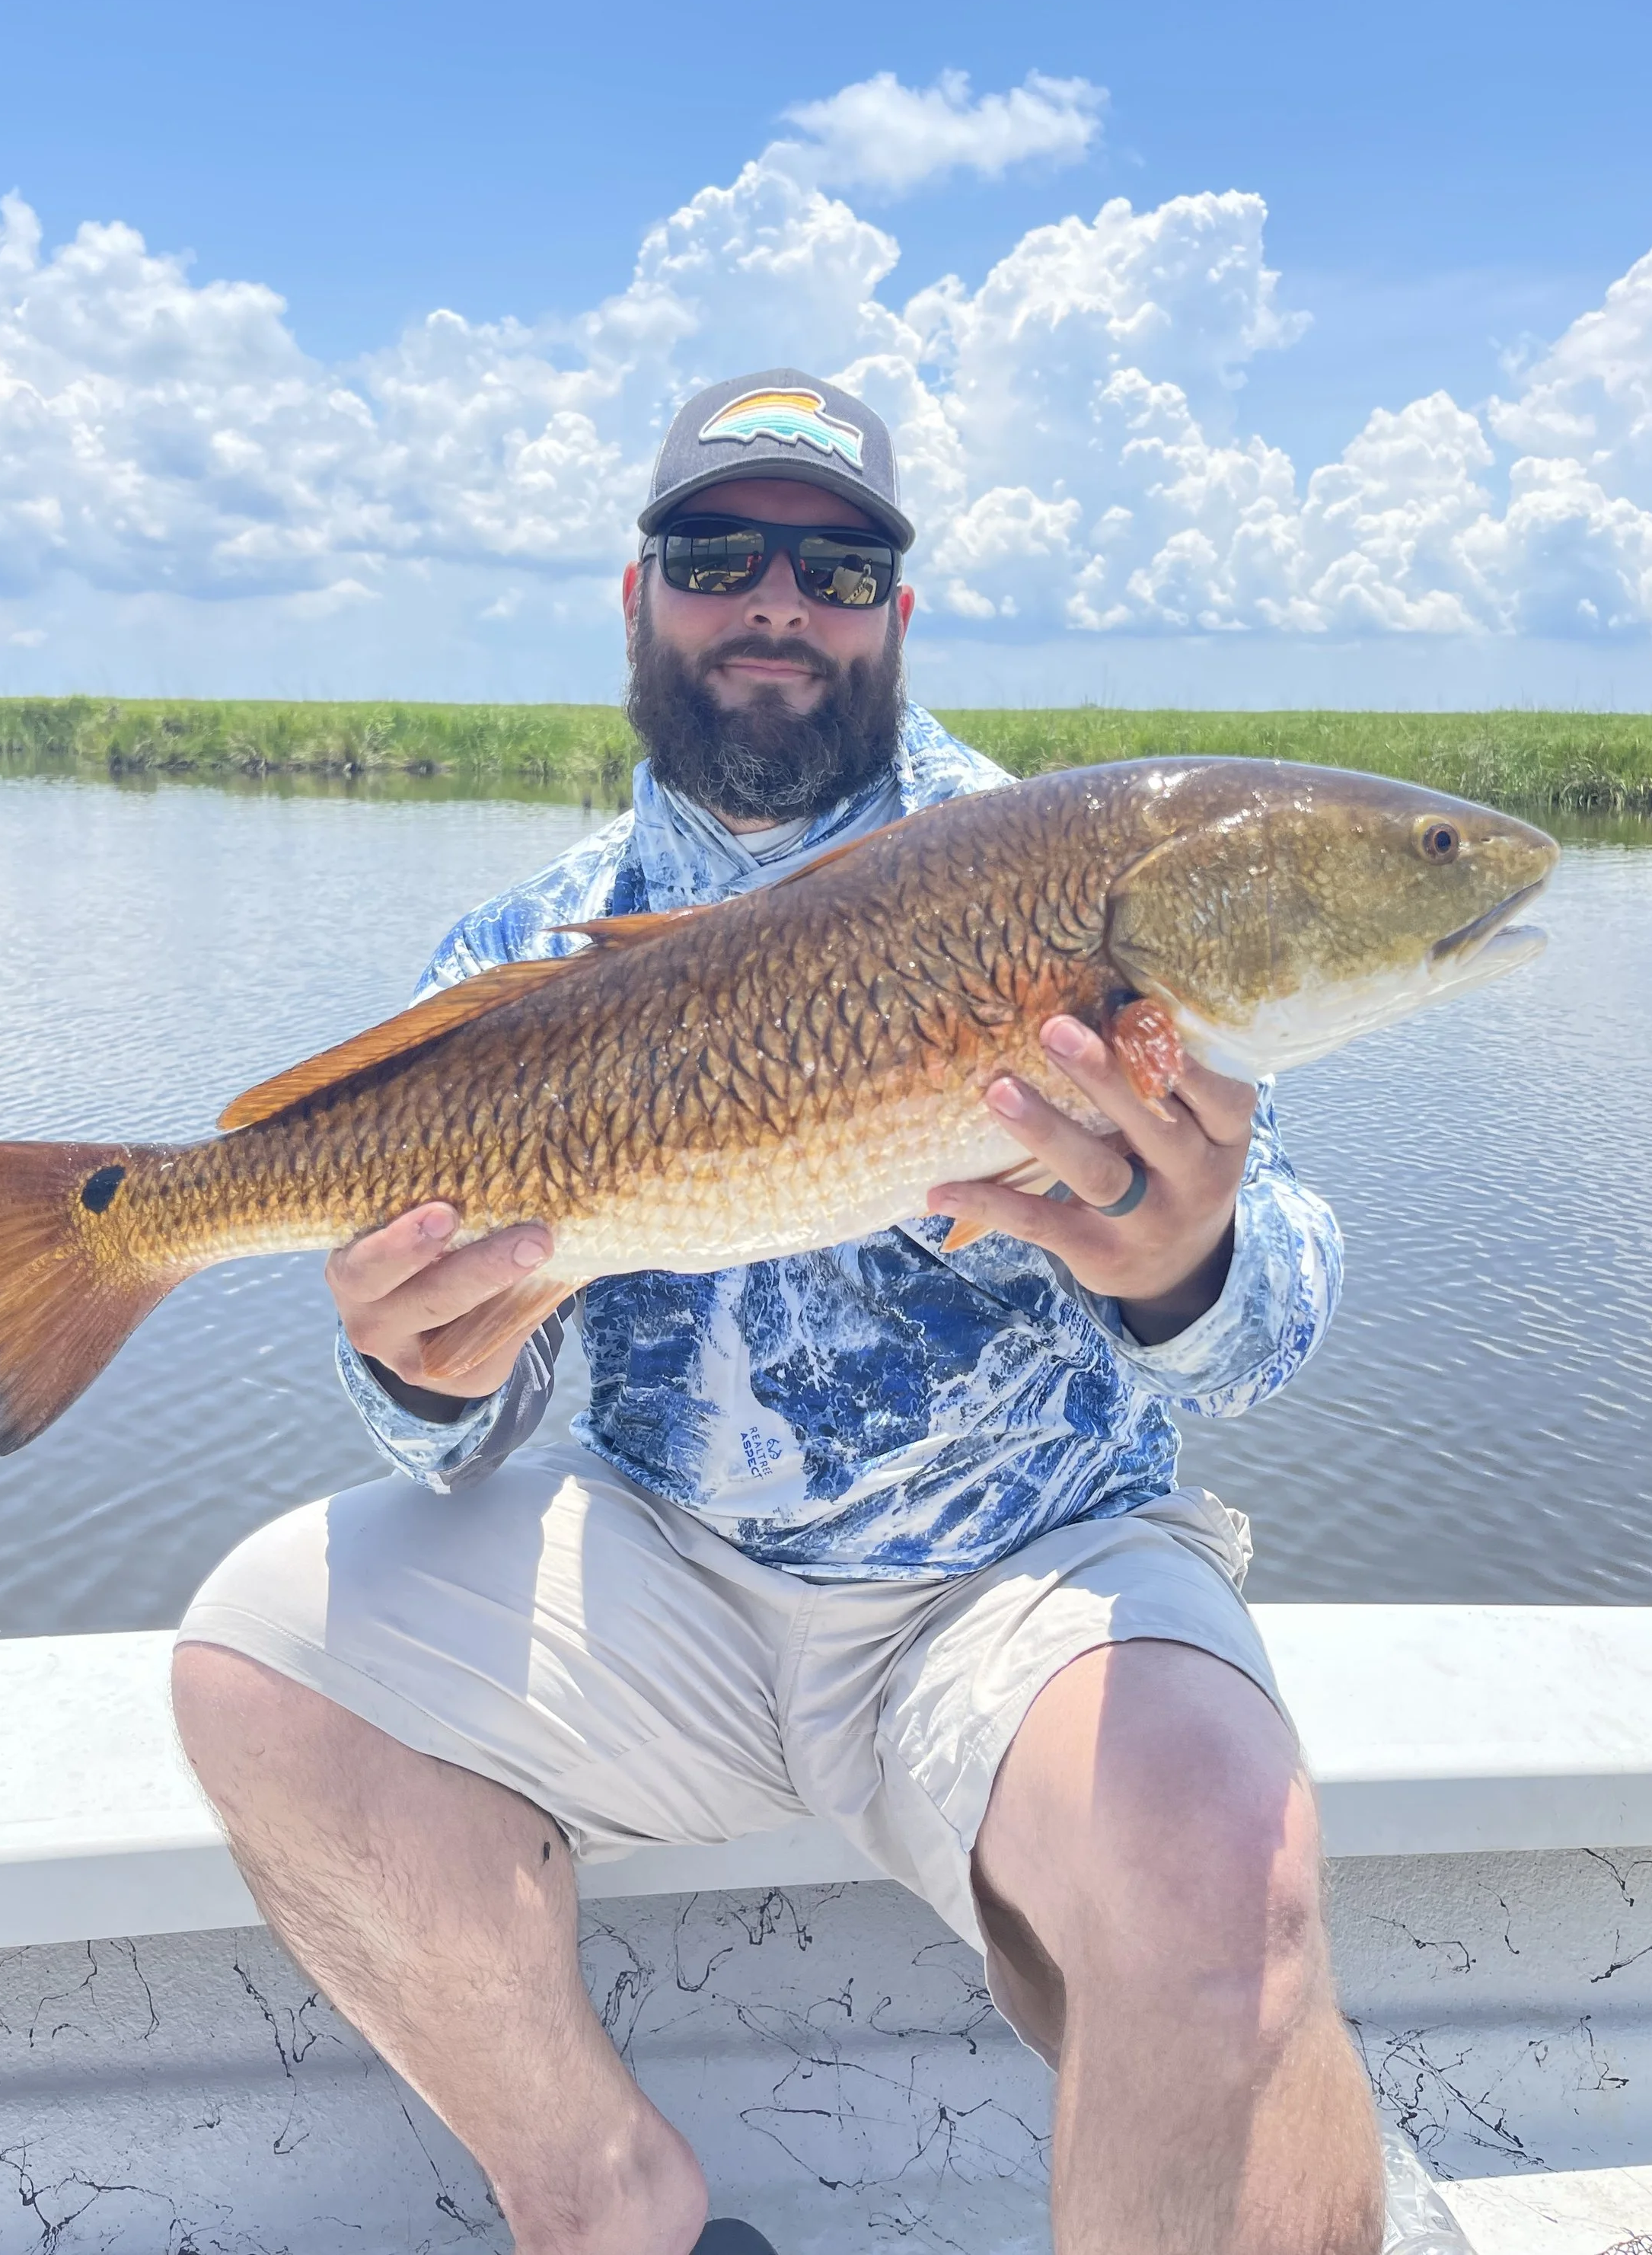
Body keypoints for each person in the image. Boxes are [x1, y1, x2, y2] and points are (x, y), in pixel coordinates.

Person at [173, 371, 1454, 2255]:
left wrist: (1185, 1258)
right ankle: (613, 2201)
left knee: (1216, 1857)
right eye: (716, 553)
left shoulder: (1074, 872)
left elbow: (1274, 1320)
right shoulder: (523, 954)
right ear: (638, 597)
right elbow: (443, 1418)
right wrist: (412, 1366)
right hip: (660, 1570)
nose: (775, 601)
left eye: (835, 567)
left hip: (1017, 1579)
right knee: (253, 1662)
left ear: (896, 614)